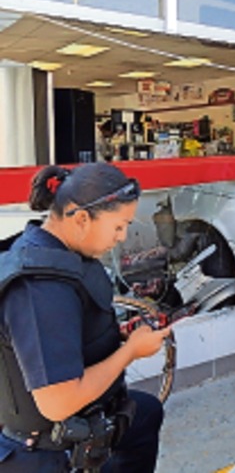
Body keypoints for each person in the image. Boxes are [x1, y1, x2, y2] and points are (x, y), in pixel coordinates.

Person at [0, 162, 171, 472]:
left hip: (86, 421)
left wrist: (114, 335)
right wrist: (130, 352)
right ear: (81, 219)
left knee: (145, 413)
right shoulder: (39, 288)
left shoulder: (58, 250)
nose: (122, 237)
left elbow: (70, 328)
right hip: (45, 449)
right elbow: (59, 403)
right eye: (118, 226)